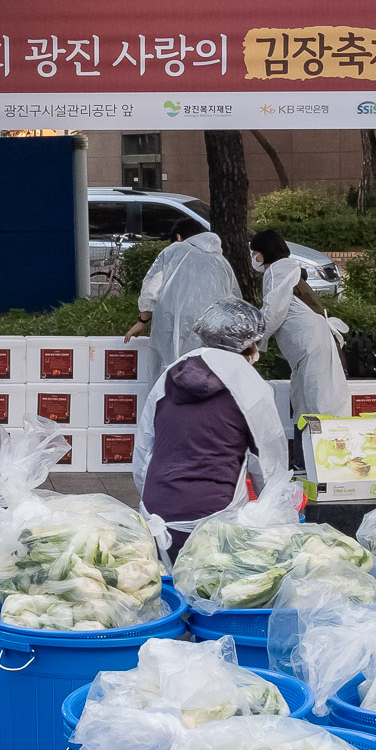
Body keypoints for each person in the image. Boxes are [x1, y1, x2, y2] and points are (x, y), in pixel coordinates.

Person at [132, 298, 287, 554]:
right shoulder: (251, 384)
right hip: (215, 525)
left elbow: (143, 450)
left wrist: (154, 502)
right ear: (249, 343)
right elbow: (270, 464)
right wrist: (279, 523)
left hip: (156, 519)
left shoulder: (172, 372)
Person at [254, 228, 348, 450]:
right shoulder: (287, 269)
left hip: (310, 346)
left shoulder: (278, 270)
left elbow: (273, 311)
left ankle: (319, 460)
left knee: (315, 406)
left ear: (265, 253)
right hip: (309, 347)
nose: (254, 258)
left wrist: (254, 342)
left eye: (256, 253)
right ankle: (304, 460)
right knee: (307, 404)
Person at [128, 219, 239, 372]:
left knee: (171, 371)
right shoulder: (220, 260)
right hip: (211, 325)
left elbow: (151, 289)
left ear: (179, 237)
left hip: (173, 321)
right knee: (205, 371)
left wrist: (143, 320)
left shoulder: (173, 251)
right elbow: (232, 296)